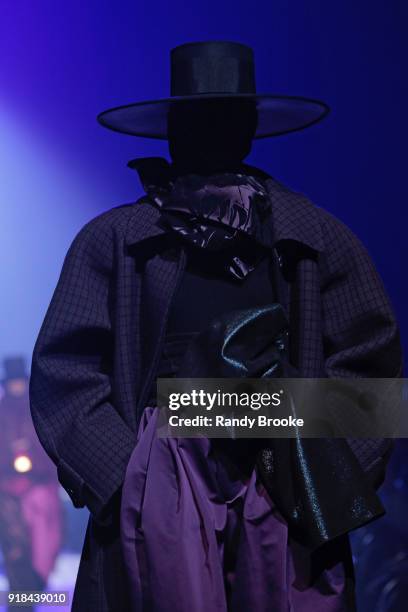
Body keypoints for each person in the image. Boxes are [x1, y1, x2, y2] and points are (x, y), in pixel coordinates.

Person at [29, 41, 403, 611]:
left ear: (251, 128)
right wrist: (125, 476)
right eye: (197, 119)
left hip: (287, 464)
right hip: (162, 469)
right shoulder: (115, 240)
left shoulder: (316, 238)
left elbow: (371, 360)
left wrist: (332, 471)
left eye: (227, 118)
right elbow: (66, 367)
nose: (212, 132)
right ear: (172, 129)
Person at [0, 356, 63, 612]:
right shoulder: (2, 412)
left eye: (19, 383)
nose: (16, 388)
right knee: (17, 554)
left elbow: (48, 449)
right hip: (8, 496)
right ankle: (20, 604)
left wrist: (32, 460)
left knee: (43, 551)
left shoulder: (37, 411)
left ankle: (28, 599)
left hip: (40, 496)